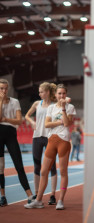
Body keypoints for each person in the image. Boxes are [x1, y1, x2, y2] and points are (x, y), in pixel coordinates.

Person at [24, 84, 76, 210]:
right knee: (43, 171)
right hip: (51, 141)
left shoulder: (70, 107)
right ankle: (39, 200)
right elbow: (47, 124)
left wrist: (63, 109)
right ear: (56, 94)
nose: (61, 96)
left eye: (64, 93)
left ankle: (61, 201)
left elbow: (68, 123)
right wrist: (59, 122)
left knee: (63, 172)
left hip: (63, 141)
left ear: (66, 94)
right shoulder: (51, 108)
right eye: (59, 93)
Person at [0, 79, 34, 207]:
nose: (3, 91)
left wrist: (6, 119)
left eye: (5, 88)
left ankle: (30, 195)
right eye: (1, 88)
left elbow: (19, 121)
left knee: (19, 165)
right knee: (0, 167)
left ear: (8, 89)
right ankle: (3, 196)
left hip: (11, 135)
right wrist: (1, 102)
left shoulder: (15, 102)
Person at [25, 82, 58, 205]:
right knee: (37, 166)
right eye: (39, 92)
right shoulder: (36, 104)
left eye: (41, 91)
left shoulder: (55, 106)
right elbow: (27, 116)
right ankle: (37, 193)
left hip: (50, 138)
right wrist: (32, 123)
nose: (39, 94)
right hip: (37, 137)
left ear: (48, 92)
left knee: (52, 167)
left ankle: (53, 195)